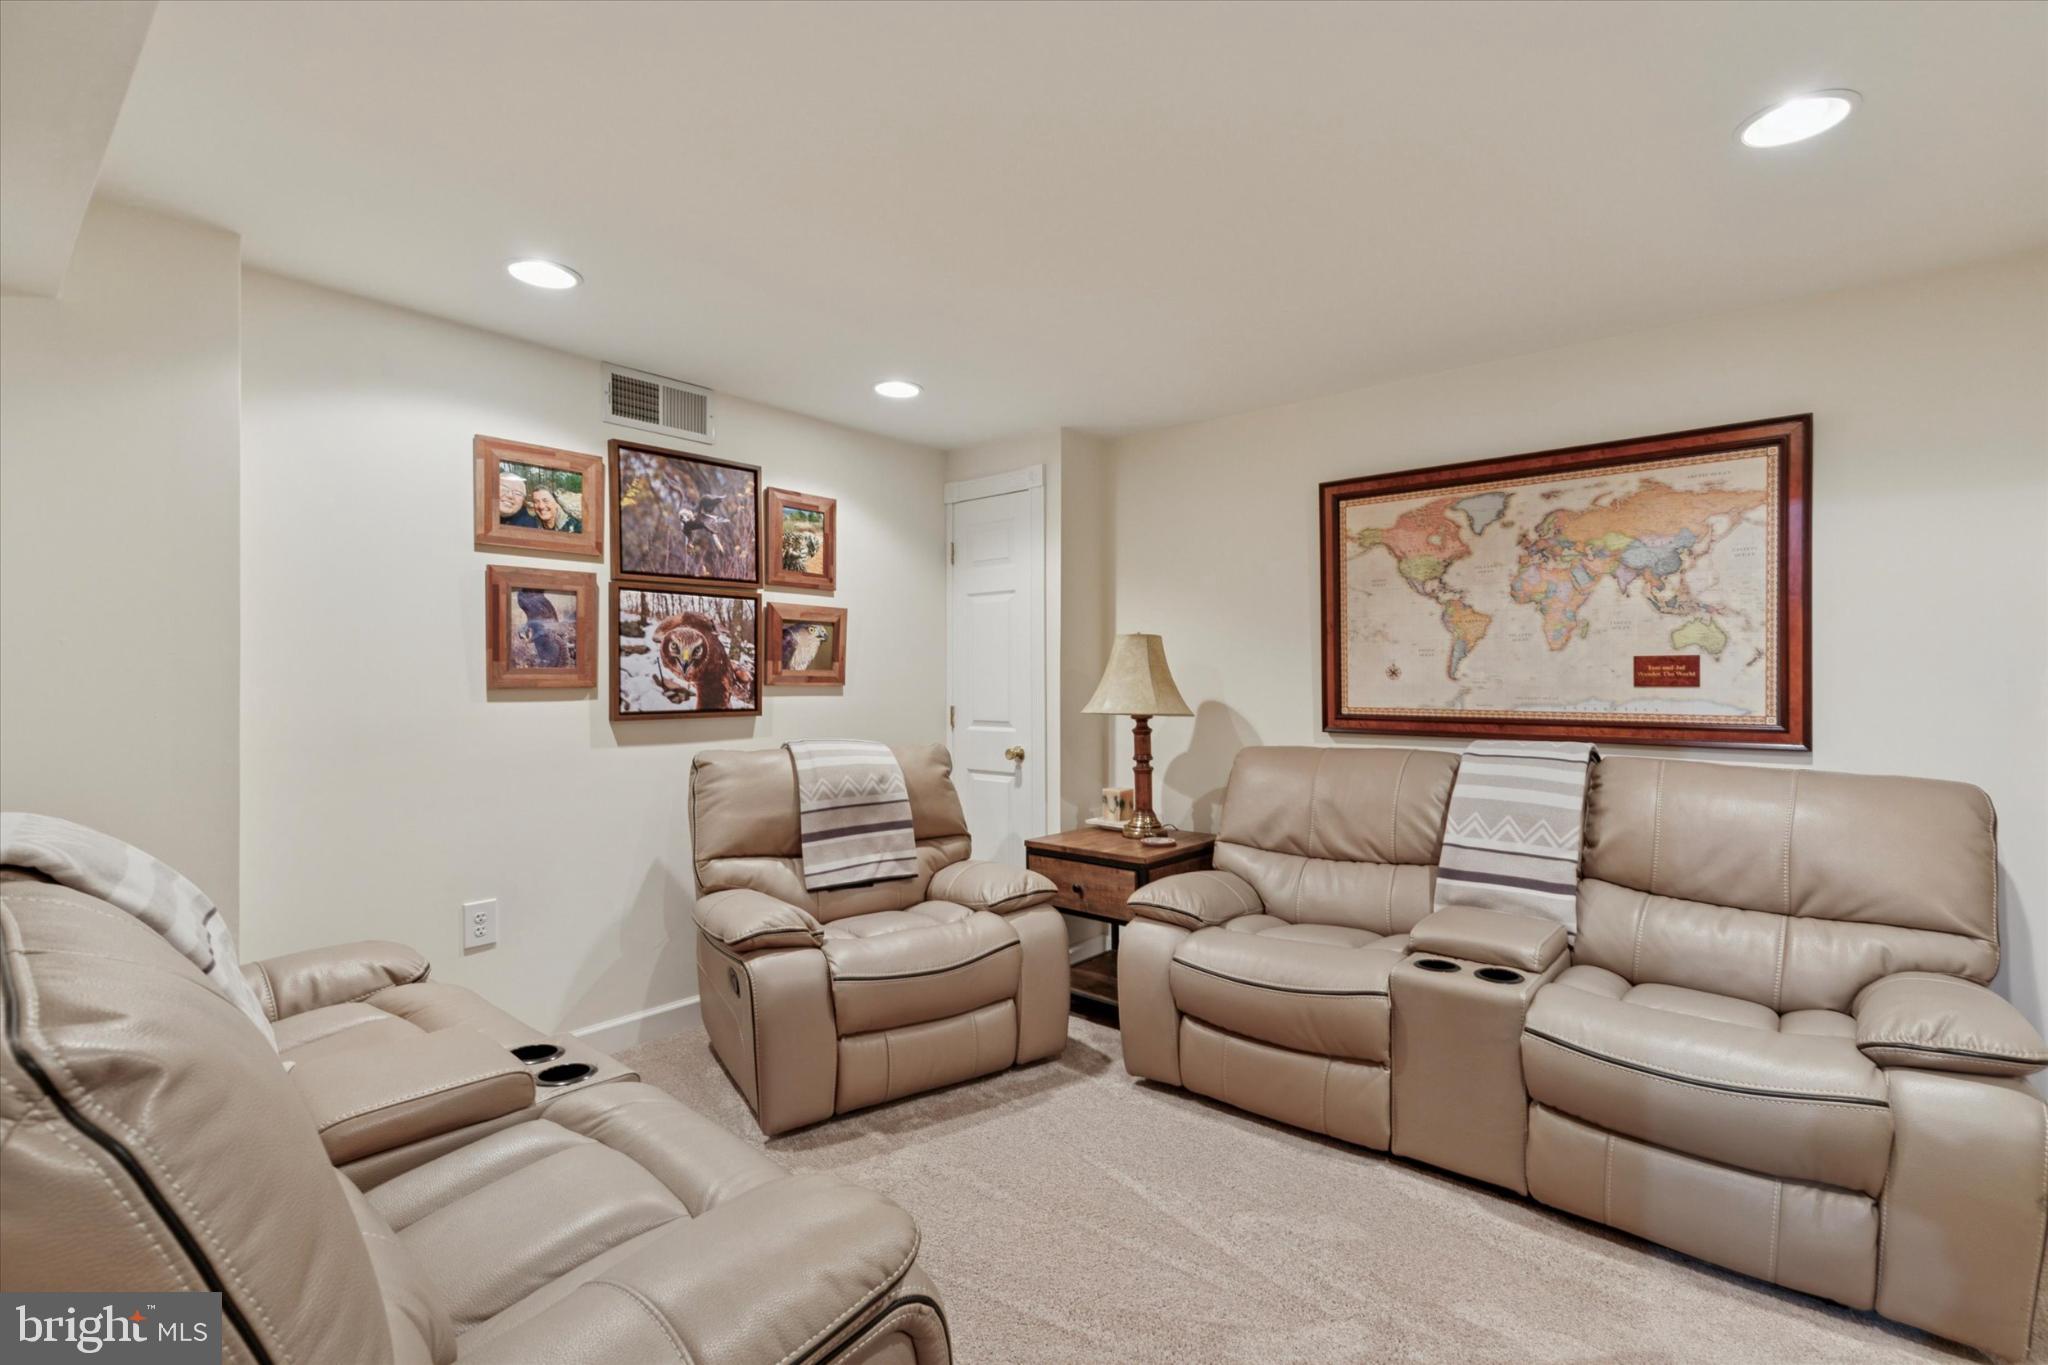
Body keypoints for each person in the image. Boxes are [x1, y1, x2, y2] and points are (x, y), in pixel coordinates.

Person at [504, 483, 582, 533]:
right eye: (536, 501)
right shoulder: (530, 525)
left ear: (556, 503)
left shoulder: (576, 527)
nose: (541, 506)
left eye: (545, 500)